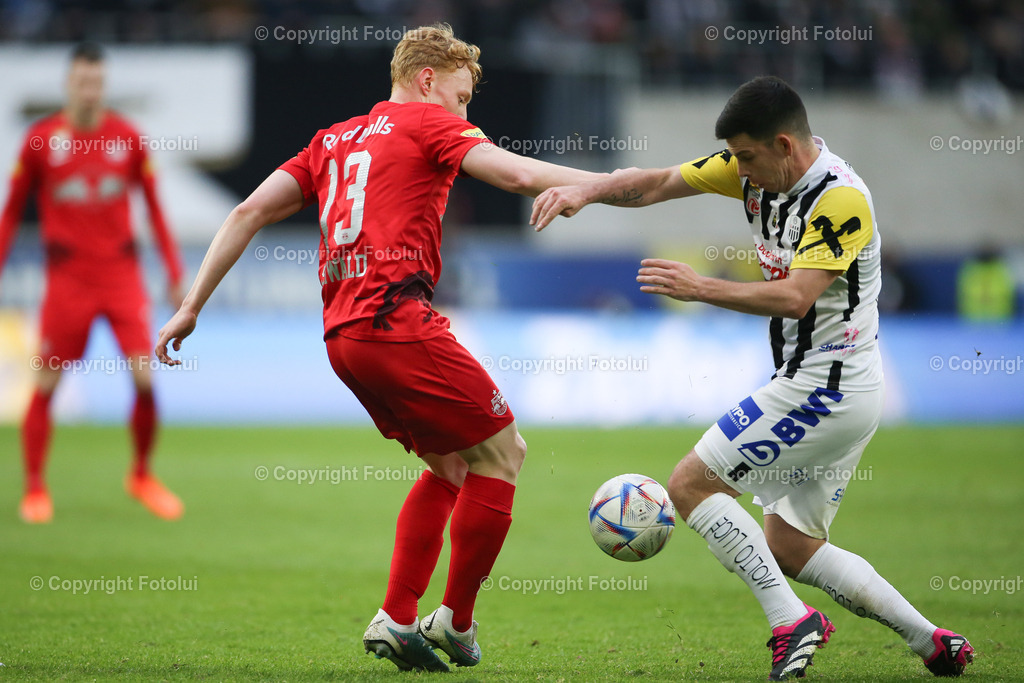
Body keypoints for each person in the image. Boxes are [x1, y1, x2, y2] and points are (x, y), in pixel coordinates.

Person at [155, 23, 602, 673]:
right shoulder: (428, 122)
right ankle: (455, 621)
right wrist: (603, 182)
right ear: (427, 81)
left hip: (344, 337)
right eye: (461, 94)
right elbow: (513, 173)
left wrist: (191, 305)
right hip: (397, 319)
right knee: (505, 453)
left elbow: (247, 210)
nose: (463, 110)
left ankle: (396, 617)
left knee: (451, 465)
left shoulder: (331, 139)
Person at [531, 76, 974, 680]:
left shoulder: (840, 200)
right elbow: (659, 181)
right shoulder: (750, 168)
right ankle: (932, 642)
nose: (738, 169)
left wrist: (698, 287)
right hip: (835, 384)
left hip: (826, 385)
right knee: (791, 546)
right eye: (734, 157)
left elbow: (796, 297)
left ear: (785, 145)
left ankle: (791, 621)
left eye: (746, 157)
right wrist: (587, 191)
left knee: (690, 485)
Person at [0, 43, 186, 524]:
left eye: (97, 83)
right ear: (68, 85)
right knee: (47, 381)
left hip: (121, 275)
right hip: (67, 278)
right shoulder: (40, 142)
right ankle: (36, 487)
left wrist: (173, 272)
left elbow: (156, 210)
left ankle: (141, 474)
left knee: (145, 377)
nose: (89, 91)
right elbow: (11, 213)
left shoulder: (127, 138)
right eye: (82, 82)